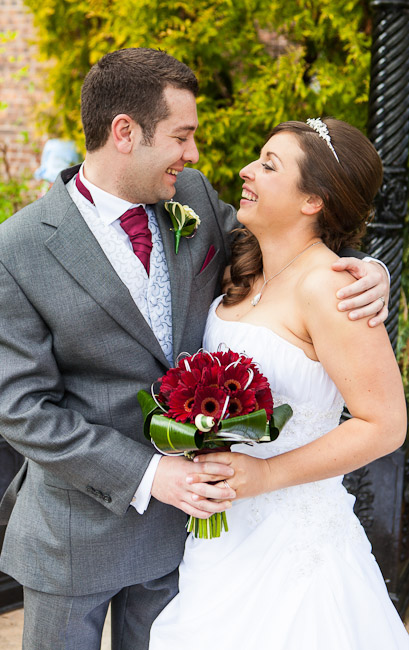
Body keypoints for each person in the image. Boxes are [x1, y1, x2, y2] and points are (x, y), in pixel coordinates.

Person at [0, 48, 389, 650]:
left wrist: (368, 271)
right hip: (75, 534)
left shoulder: (192, 199)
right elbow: (22, 410)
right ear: (125, 133)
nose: (194, 154)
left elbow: (290, 252)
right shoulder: (11, 254)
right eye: (182, 136)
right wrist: (151, 474)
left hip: (192, 540)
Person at [149, 118, 409, 649]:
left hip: (295, 543)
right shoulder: (239, 268)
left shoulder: (332, 288)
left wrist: (264, 475)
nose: (246, 170)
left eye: (269, 165)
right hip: (220, 536)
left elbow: (384, 425)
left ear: (313, 199)